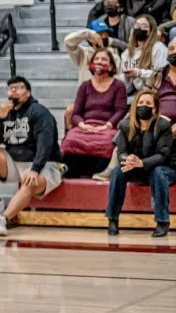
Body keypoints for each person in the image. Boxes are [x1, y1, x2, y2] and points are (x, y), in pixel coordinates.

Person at [0, 77, 66, 234]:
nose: (13, 91)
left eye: (18, 87)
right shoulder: (7, 113)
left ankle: (3, 219)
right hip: (16, 162)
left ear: (28, 93)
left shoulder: (39, 112)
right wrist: (0, 118)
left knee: (29, 182)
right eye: (10, 88)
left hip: (46, 164)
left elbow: (46, 144)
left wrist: (35, 169)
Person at [106, 90, 172, 237]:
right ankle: (112, 219)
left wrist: (142, 162)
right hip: (135, 167)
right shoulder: (125, 124)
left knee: (159, 172)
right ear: (135, 106)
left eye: (148, 103)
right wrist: (127, 159)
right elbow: (120, 151)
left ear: (155, 108)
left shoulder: (163, 125)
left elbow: (163, 155)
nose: (143, 106)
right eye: (141, 103)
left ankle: (162, 221)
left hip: (163, 167)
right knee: (117, 172)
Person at [61, 48, 127, 178]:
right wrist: (82, 125)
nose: (99, 62)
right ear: (91, 63)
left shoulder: (119, 85)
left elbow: (120, 110)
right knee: (71, 139)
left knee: (107, 141)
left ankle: (100, 170)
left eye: (104, 59)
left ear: (111, 65)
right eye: (96, 59)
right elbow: (76, 113)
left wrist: (107, 125)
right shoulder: (85, 86)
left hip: (107, 126)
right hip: (86, 125)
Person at [121, 15, 166, 95]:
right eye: (137, 25)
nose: (139, 28)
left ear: (150, 31)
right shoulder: (126, 54)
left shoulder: (158, 48)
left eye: (144, 26)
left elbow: (162, 75)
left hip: (156, 94)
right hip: (136, 94)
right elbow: (127, 88)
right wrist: (126, 77)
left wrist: (139, 73)